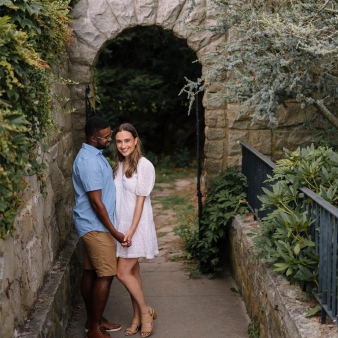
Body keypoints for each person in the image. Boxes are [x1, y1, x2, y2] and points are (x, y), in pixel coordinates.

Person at [72, 116, 130, 338]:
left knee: (91, 272)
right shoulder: (88, 162)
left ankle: (93, 320)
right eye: (106, 137)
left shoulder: (95, 156)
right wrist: (115, 233)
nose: (110, 140)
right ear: (93, 138)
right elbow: (97, 203)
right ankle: (94, 329)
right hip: (96, 227)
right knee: (106, 274)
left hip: (94, 225)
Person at [113, 123, 159, 338]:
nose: (123, 145)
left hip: (136, 226)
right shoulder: (119, 164)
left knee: (122, 272)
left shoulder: (144, 165)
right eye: (119, 141)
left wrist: (130, 231)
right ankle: (137, 317)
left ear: (136, 140)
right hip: (120, 226)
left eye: (127, 140)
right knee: (132, 273)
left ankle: (145, 312)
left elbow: (141, 202)